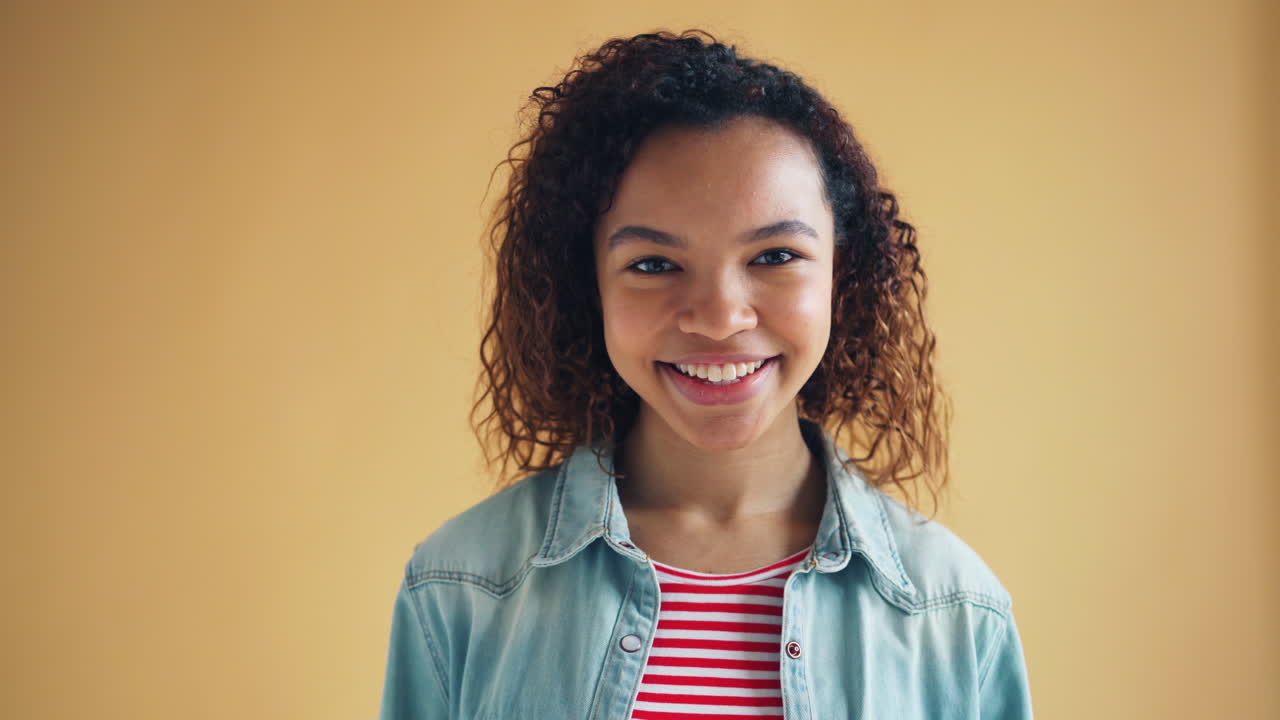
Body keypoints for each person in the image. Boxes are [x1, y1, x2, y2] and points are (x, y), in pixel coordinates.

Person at [379, 29, 1033, 719]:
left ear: (843, 276)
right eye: (654, 265)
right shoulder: (460, 588)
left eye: (775, 256)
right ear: (589, 287)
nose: (720, 318)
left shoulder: (956, 613)